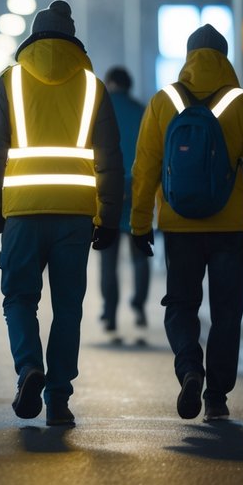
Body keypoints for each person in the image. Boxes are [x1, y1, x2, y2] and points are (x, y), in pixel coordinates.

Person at [0, 0, 123, 427]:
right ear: (73, 39)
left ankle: (28, 367)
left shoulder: (11, 82)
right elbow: (109, 157)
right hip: (75, 215)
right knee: (68, 308)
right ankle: (58, 397)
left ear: (33, 38)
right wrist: (109, 216)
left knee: (19, 297)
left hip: (22, 211)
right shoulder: (92, 87)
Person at [130, 24, 243, 422]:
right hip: (229, 227)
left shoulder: (165, 102)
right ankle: (216, 396)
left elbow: (145, 169)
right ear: (225, 57)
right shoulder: (242, 104)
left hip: (179, 227)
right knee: (227, 312)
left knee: (180, 305)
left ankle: (189, 367)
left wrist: (140, 224)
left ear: (189, 56)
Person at [98, 66, 149, 337]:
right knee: (139, 255)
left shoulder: (101, 110)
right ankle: (139, 306)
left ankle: (110, 312)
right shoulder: (142, 111)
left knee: (109, 256)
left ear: (110, 83)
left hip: (109, 189)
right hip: (138, 189)